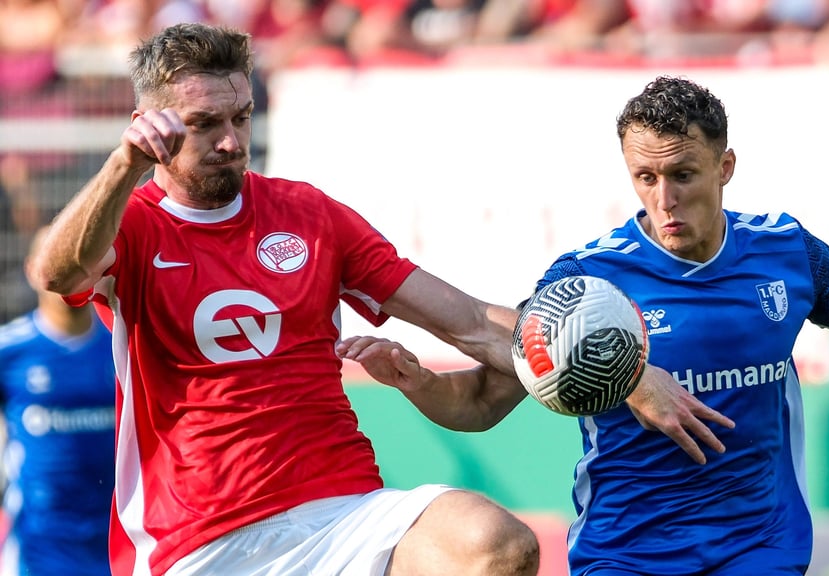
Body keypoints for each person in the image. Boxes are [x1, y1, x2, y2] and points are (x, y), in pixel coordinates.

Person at [26, 23, 729, 576]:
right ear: (152, 126)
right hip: (201, 542)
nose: (232, 141)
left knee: (496, 545)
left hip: (343, 508)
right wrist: (121, 166)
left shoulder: (308, 214)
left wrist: (624, 374)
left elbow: (471, 325)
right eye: (205, 125)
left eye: (240, 116)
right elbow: (58, 274)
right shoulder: (136, 224)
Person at [339, 75, 829, 575]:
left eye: (684, 175)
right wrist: (418, 383)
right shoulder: (584, 287)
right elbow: (486, 403)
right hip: (625, 552)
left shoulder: (788, 254)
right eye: (645, 178)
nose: (665, 200)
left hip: (759, 546)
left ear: (725, 168)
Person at [0, 226, 116, 576]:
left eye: (79, 262)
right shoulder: (10, 350)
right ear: (33, 270)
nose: (69, 274)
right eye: (58, 262)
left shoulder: (123, 345)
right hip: (41, 548)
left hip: (121, 542)